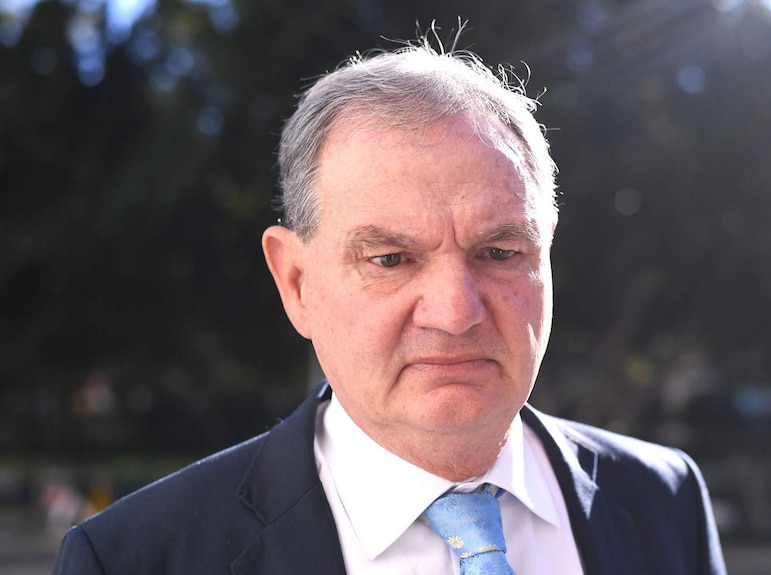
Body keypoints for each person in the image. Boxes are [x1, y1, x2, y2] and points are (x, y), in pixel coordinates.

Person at [52, 37, 727, 575]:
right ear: (296, 283)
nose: (456, 312)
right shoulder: (135, 558)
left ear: (545, 254)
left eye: (498, 252)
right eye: (390, 259)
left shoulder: (663, 499)